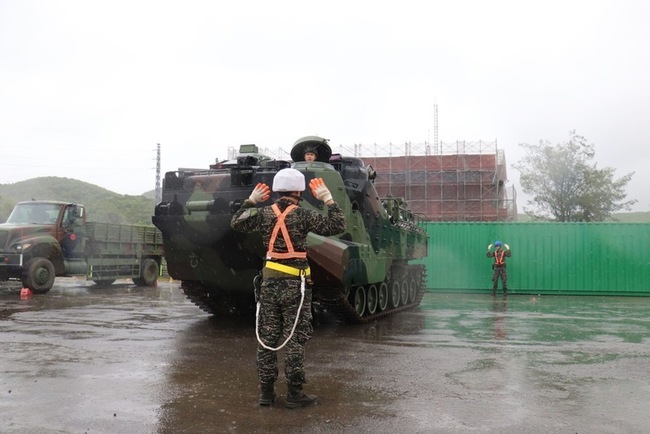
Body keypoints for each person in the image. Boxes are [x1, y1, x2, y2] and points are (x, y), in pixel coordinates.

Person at [230, 168, 345, 408]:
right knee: (295, 338)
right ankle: (294, 393)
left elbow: (236, 222)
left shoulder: (263, 214)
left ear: (278, 190)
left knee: (268, 338)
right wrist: (328, 199)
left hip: (269, 283)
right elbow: (337, 225)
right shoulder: (303, 216)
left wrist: (250, 200)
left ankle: (266, 393)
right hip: (296, 285)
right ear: (299, 191)